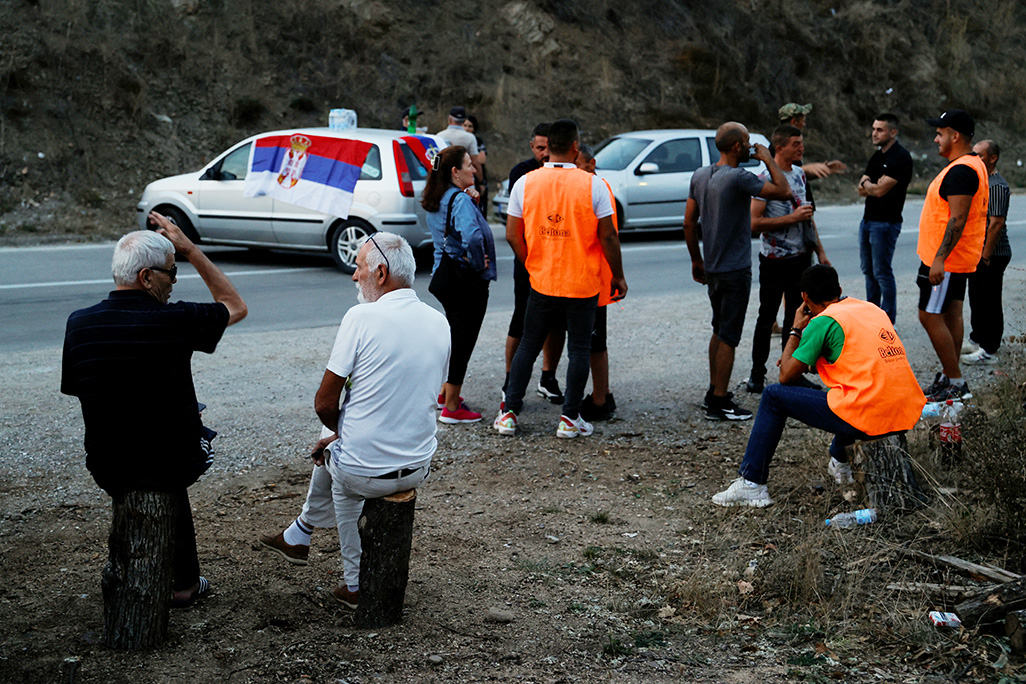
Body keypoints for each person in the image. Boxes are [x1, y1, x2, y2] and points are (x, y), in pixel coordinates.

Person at [62, 212, 247, 606]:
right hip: (173, 461)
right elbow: (235, 305)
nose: (175, 281)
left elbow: (84, 391)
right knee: (170, 450)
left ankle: (161, 575)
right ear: (147, 278)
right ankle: (183, 584)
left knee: (143, 442)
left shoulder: (78, 324)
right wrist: (192, 250)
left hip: (106, 464)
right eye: (171, 273)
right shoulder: (175, 319)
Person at [259, 233, 450, 609]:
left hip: (366, 470)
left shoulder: (361, 317)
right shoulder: (438, 320)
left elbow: (324, 401)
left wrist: (337, 432)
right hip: (417, 465)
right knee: (338, 442)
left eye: (358, 267)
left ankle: (351, 581)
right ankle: (299, 533)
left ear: (380, 273)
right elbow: (425, 394)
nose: (353, 276)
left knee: (337, 460)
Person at [712, 265, 926, 507]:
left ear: (804, 297)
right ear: (840, 290)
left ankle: (752, 484)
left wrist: (795, 329)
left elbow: (785, 376)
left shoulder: (822, 321)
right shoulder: (869, 309)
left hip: (872, 412)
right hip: (904, 410)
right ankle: (839, 459)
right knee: (845, 391)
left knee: (773, 395)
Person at [496, 119, 627, 438]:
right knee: (580, 348)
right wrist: (618, 277)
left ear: (547, 147)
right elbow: (608, 236)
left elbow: (513, 234)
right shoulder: (592, 184)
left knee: (529, 345)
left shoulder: (525, 183)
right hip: (582, 282)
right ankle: (569, 419)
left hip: (542, 281)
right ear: (574, 146)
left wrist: (531, 264)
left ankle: (508, 413)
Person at [683, 122, 791, 421]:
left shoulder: (700, 175)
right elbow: (783, 189)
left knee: (718, 330)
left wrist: (696, 259)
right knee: (729, 336)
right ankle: (720, 401)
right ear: (736, 148)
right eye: (746, 143)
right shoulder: (740, 178)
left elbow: (689, 223)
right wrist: (768, 158)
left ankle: (713, 390)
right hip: (735, 269)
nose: (749, 148)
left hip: (713, 267)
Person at [746, 124, 830, 395]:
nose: (801, 148)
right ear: (779, 148)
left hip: (800, 259)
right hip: (773, 259)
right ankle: (756, 375)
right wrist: (791, 218)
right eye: (795, 143)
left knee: (798, 316)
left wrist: (820, 252)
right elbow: (753, 223)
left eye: (801, 143)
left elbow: (808, 216)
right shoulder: (763, 179)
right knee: (766, 316)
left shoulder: (800, 176)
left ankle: (791, 372)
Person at [916, 110, 988, 402]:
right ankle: (950, 376)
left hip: (945, 261)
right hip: (954, 260)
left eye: (940, 133)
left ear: (955, 136)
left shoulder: (962, 170)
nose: (936, 138)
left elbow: (957, 219)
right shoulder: (967, 166)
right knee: (951, 313)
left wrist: (938, 259)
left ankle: (955, 381)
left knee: (928, 315)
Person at [422, 145, 497, 423]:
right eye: (469, 165)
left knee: (454, 336)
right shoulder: (460, 201)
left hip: (444, 276)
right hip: (465, 281)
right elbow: (474, 238)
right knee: (464, 339)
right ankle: (452, 408)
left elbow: (451, 233)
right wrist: (479, 265)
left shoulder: (439, 198)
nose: (474, 169)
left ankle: (444, 392)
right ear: (455, 172)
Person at [503, 122, 567, 405]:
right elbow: (513, 229)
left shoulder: (566, 174)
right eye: (539, 147)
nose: (543, 153)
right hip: (528, 262)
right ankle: (510, 379)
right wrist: (528, 261)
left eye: (547, 147)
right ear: (532, 147)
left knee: (557, 323)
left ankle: (548, 376)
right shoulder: (522, 174)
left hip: (560, 262)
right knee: (521, 322)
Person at [857, 113, 914, 323]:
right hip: (868, 220)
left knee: (882, 272)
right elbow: (862, 187)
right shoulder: (878, 156)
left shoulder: (900, 157)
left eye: (879, 130)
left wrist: (871, 186)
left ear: (893, 132)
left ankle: (888, 320)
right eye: (873, 129)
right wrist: (871, 185)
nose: (874, 133)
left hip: (886, 223)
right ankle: (873, 317)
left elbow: (880, 191)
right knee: (868, 271)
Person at [575, 143, 618, 421]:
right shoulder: (590, 185)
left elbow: (607, 235)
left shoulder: (597, 187)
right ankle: (603, 393)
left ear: (591, 164)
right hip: (590, 276)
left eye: (576, 163)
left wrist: (617, 276)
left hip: (595, 278)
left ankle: (600, 399)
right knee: (592, 341)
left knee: (594, 342)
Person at [963, 139, 1012, 365]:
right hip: (977, 252)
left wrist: (985, 255)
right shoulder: (981, 182)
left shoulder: (997, 186)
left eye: (980, 155)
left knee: (990, 300)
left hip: (993, 253)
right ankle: (978, 338)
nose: (975, 159)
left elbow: (996, 224)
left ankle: (989, 349)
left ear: (992, 158)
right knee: (977, 298)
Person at [777, 103, 847, 179]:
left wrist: (825, 169)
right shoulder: (780, 145)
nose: (804, 124)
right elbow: (780, 175)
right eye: (802, 121)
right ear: (794, 122)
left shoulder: (792, 144)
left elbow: (799, 177)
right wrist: (805, 169)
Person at [435, 106, 483, 179]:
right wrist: (480, 180)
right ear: (464, 121)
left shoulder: (439, 136)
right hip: (464, 177)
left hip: (445, 178)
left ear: (450, 119)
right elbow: (475, 162)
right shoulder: (470, 137)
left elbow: (436, 161)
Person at [462, 114, 489, 217]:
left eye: (470, 126)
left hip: (478, 173)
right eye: (465, 125)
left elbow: (481, 159)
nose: (467, 128)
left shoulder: (477, 141)